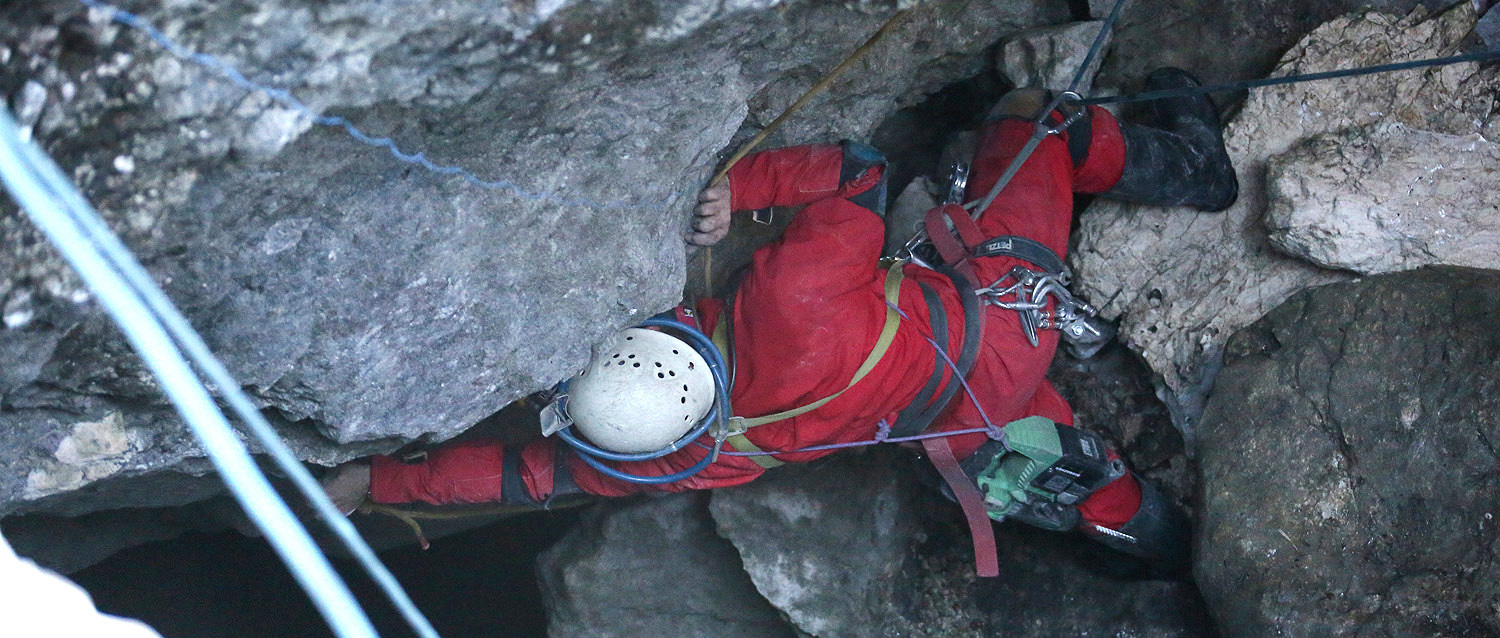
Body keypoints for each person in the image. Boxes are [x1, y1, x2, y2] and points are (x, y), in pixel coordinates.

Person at [321, 68, 1237, 573]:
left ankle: (1126, 520)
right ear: (670, 337)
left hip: (958, 420)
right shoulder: (786, 306)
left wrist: (379, 481)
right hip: (1001, 324)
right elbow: (860, 173)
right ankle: (1198, 166)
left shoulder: (686, 458)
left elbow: (525, 474)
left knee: (1030, 439)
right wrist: (741, 191)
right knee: (1036, 118)